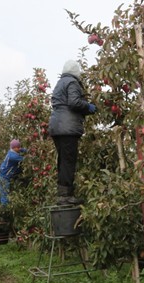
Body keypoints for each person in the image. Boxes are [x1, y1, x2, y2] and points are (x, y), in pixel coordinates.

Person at [48, 60, 96, 205]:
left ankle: (63, 194)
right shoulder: (72, 82)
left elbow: (64, 104)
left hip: (57, 127)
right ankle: (66, 196)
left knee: (63, 161)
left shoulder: (60, 83)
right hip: (67, 128)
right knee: (69, 161)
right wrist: (88, 107)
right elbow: (74, 102)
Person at [0, 139, 27, 206]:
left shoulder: (12, 151)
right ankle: (5, 210)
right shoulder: (13, 156)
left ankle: (6, 208)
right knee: (4, 194)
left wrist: (27, 150)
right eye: (18, 147)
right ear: (14, 148)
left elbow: (21, 149)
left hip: (7, 174)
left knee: (7, 192)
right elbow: (25, 159)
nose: (20, 148)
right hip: (4, 177)